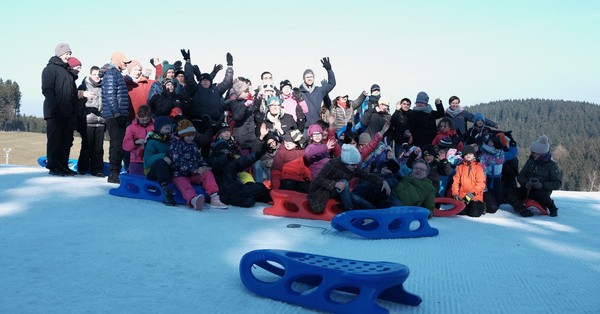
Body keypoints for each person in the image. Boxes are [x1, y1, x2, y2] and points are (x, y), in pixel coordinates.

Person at [181, 49, 234, 159]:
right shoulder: (195, 89)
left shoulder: (216, 90)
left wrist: (230, 66)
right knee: (195, 149)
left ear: (210, 81)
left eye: (207, 80)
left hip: (213, 125)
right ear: (200, 81)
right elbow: (189, 77)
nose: (205, 81)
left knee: (208, 151)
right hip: (197, 124)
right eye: (203, 80)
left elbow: (227, 82)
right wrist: (188, 61)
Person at [308, 144, 390, 213]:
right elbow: (319, 178)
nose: (355, 167)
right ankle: (348, 210)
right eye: (353, 165)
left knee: (356, 198)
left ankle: (376, 211)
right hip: (323, 191)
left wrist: (382, 181)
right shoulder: (333, 164)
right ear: (345, 162)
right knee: (344, 182)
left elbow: (366, 175)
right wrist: (335, 184)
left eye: (356, 164)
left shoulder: (352, 167)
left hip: (340, 190)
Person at [169, 119, 228, 210]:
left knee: (207, 174)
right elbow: (178, 163)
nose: (190, 138)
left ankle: (214, 198)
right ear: (182, 135)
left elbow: (199, 157)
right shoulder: (175, 145)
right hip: (179, 174)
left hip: (193, 173)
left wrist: (203, 166)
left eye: (192, 135)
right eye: (188, 136)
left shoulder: (193, 145)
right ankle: (193, 200)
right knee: (185, 185)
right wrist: (195, 170)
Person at [42, 43, 78, 176]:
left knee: (66, 141)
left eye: (70, 53)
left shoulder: (68, 72)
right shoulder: (50, 69)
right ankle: (54, 166)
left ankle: (63, 165)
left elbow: (73, 94)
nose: (68, 56)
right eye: (66, 53)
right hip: (55, 112)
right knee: (55, 140)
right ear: (59, 53)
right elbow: (47, 90)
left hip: (68, 112)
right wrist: (55, 108)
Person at [506, 135, 562, 217]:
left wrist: (542, 185)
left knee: (540, 195)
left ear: (541, 154)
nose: (533, 154)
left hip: (542, 191)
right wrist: (525, 183)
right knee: (509, 193)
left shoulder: (551, 165)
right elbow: (520, 175)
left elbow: (557, 183)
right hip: (527, 188)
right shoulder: (530, 162)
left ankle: (552, 207)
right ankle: (522, 209)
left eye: (535, 153)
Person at [102, 51, 132, 183]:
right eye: (125, 61)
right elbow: (110, 95)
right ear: (118, 60)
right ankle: (113, 173)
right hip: (115, 115)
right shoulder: (111, 73)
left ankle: (116, 172)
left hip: (119, 114)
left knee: (120, 144)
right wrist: (117, 113)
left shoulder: (116, 73)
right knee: (116, 144)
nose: (126, 64)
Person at [77, 65, 105, 177]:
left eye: (98, 75)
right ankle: (82, 168)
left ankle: (97, 170)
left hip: (101, 121)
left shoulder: (104, 87)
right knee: (87, 146)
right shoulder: (84, 86)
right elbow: (78, 105)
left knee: (99, 148)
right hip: (88, 121)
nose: (97, 77)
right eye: (94, 74)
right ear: (90, 75)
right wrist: (80, 119)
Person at [143, 116, 176, 206]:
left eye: (169, 124)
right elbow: (147, 160)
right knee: (161, 163)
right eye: (165, 125)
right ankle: (165, 190)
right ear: (159, 127)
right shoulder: (152, 141)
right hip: (152, 171)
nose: (168, 126)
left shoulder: (172, 141)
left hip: (169, 170)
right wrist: (163, 156)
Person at [299, 57, 336, 127]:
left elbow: (332, 84)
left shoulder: (319, 90)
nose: (309, 78)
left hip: (316, 126)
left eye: (311, 76)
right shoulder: (299, 93)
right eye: (307, 77)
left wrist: (329, 70)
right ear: (304, 79)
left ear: (314, 78)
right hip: (304, 128)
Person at [451, 145, 487, 217]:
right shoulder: (460, 167)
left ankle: (483, 206)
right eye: (466, 154)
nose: (468, 156)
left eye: (470, 154)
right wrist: (455, 194)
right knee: (460, 212)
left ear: (474, 155)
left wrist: (470, 195)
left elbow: (481, 184)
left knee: (474, 213)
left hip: (475, 195)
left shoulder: (478, 167)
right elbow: (456, 182)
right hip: (462, 196)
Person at [123, 105, 154, 175]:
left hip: (151, 159)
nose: (145, 122)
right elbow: (125, 145)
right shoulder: (131, 128)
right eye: (143, 120)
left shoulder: (154, 126)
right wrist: (136, 142)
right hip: (136, 160)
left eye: (147, 120)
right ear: (138, 117)